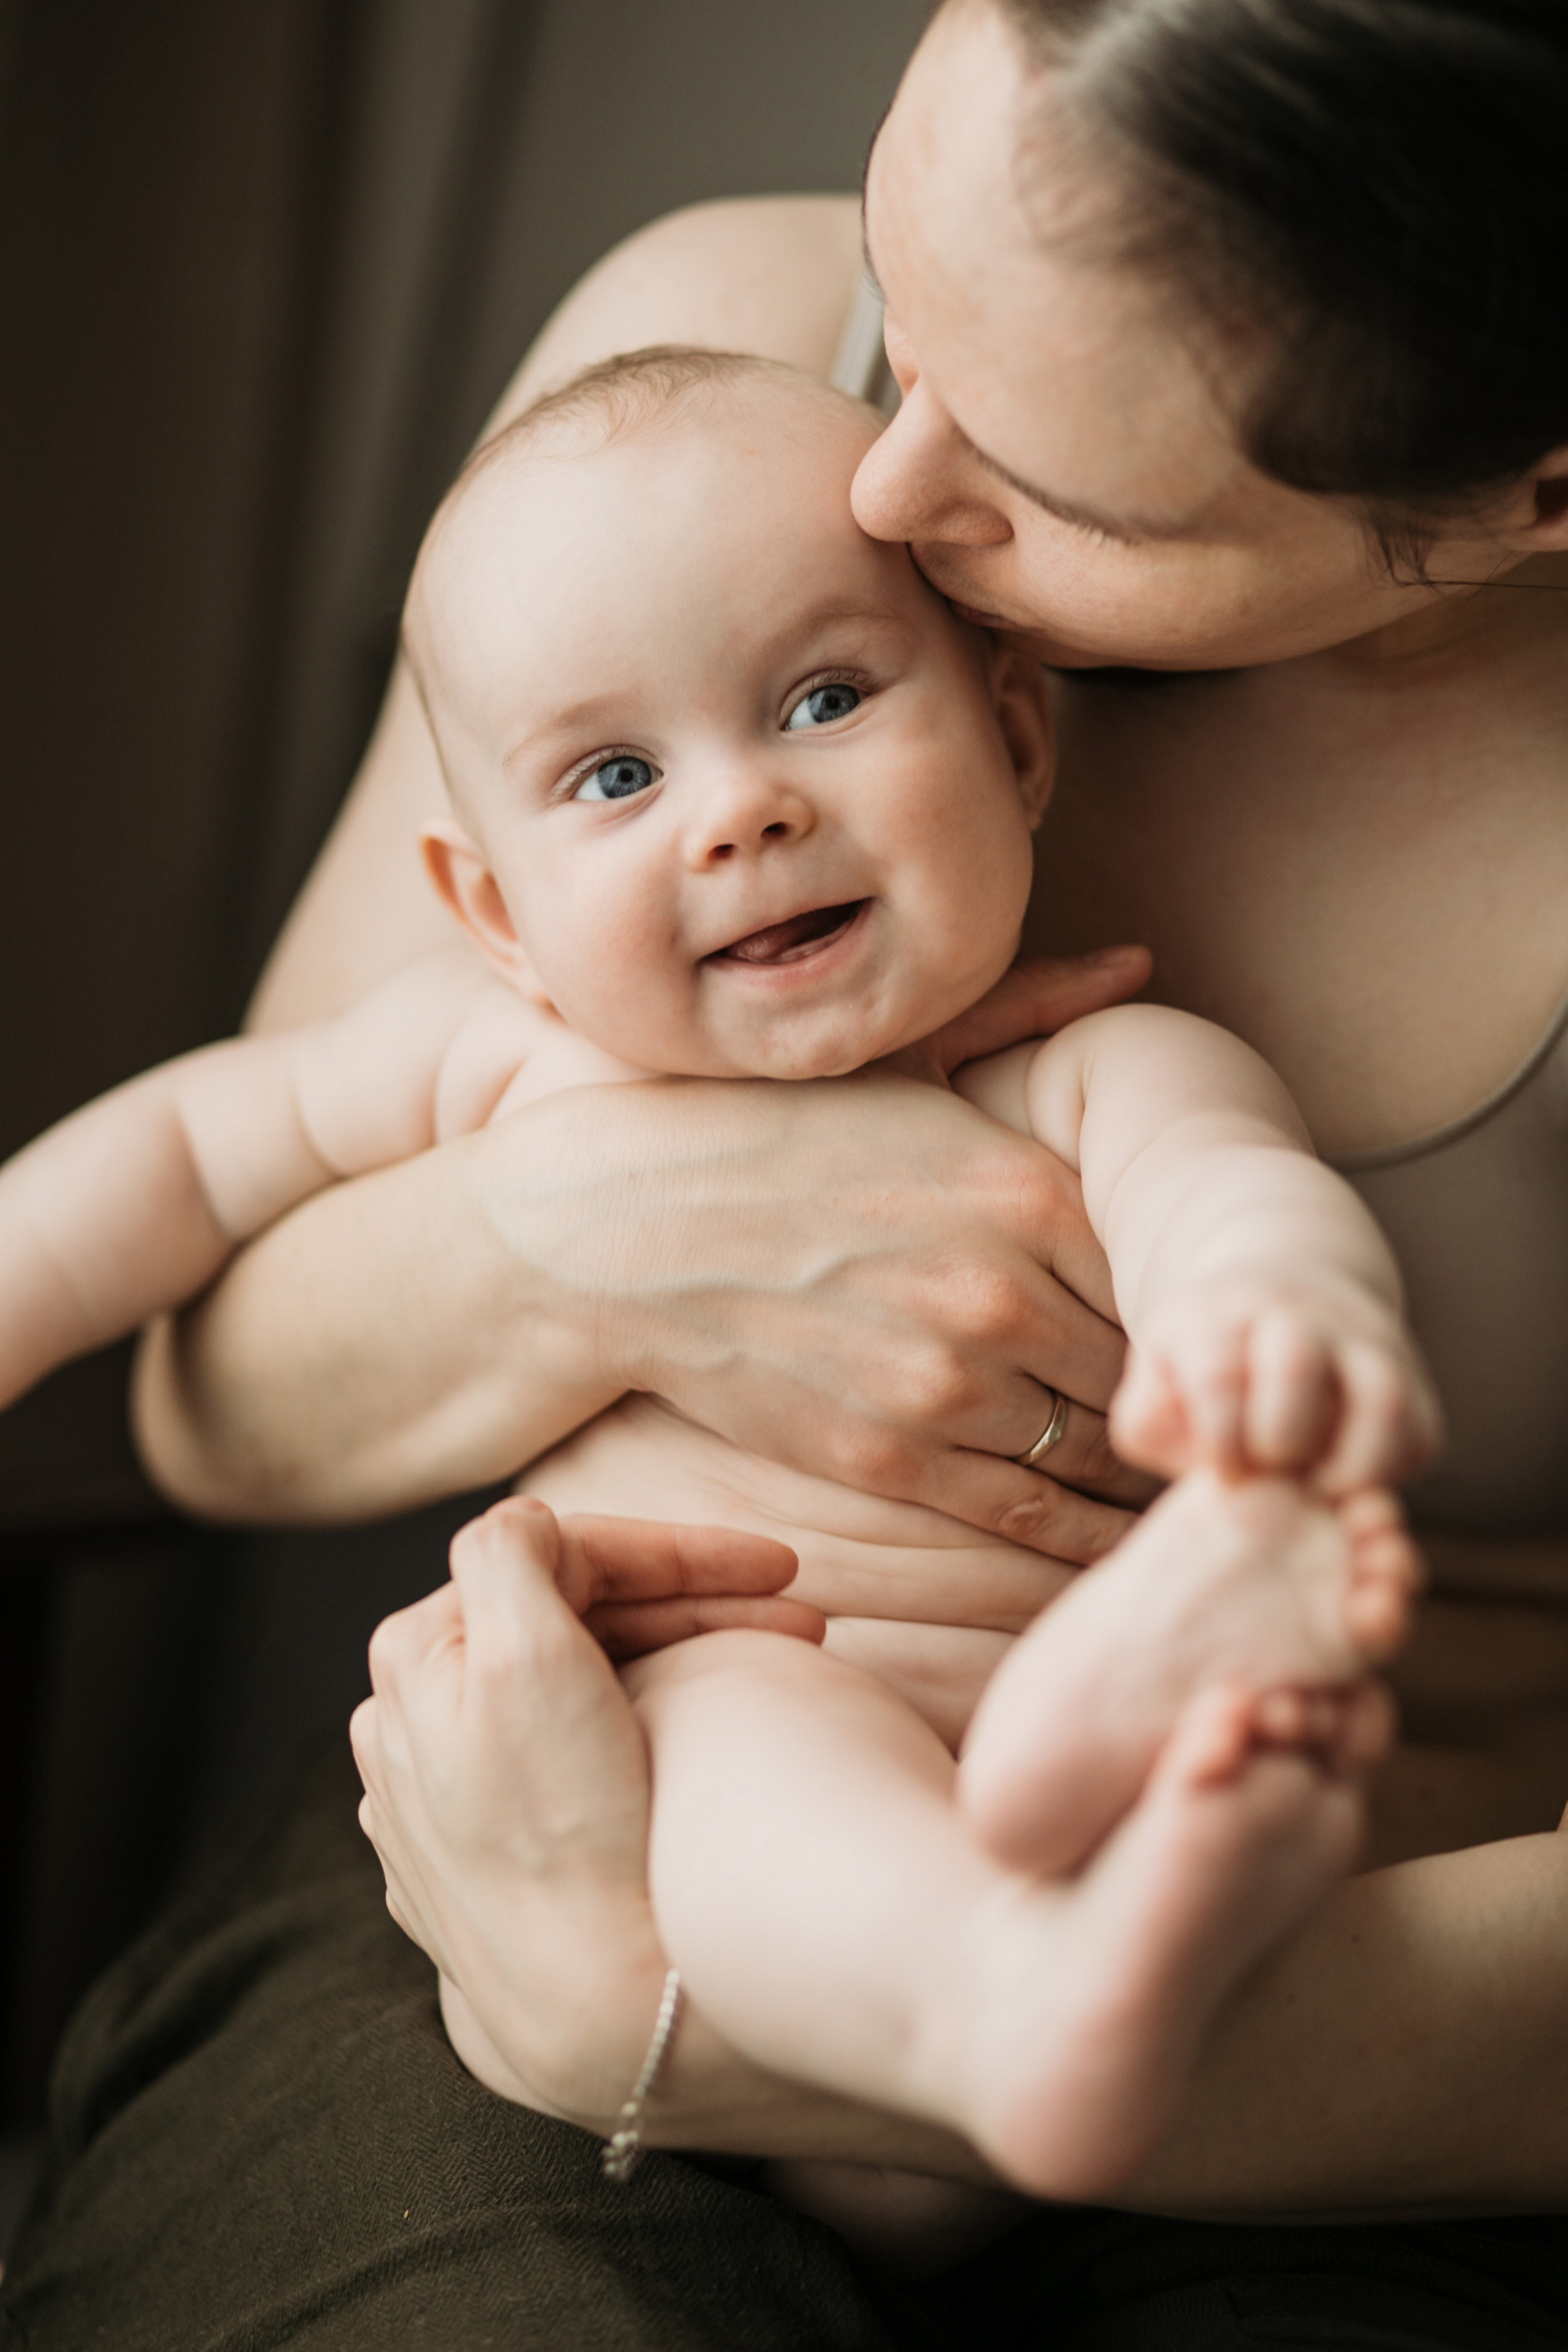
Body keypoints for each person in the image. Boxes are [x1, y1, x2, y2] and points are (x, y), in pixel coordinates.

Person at [7, 0, 1568, 2343]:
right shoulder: (670, 418)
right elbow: (191, 1346)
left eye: (1060, 493)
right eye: (893, 281)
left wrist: (1277, 1362)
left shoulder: (1095, 1036)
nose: (879, 486)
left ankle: (1035, 1954)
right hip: (655, 1750)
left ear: (1531, 484)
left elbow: (1218, 1186)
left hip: (1380, 1976)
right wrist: (581, 1244)